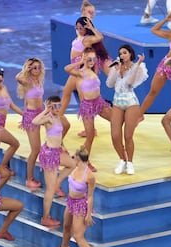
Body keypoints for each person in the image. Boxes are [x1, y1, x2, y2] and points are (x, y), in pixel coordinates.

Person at [59, 16, 111, 138]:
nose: (78, 29)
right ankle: (88, 129)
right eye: (76, 27)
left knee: (80, 99)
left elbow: (100, 37)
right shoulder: (80, 36)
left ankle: (60, 117)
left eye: (81, 27)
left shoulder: (87, 39)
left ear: (85, 28)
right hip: (78, 66)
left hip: (80, 68)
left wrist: (91, 28)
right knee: (74, 96)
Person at [51, 145, 99, 247]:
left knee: (78, 236)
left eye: (74, 157)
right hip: (70, 202)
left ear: (78, 158)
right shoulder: (75, 168)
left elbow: (90, 196)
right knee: (66, 226)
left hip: (80, 205)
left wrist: (88, 214)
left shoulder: (89, 176)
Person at [64, 47, 112, 172]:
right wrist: (80, 62)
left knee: (116, 120)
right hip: (87, 107)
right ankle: (84, 160)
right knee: (90, 136)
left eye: (93, 59)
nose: (92, 61)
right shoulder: (80, 73)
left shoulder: (94, 69)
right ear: (84, 58)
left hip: (99, 102)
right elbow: (67, 69)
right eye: (89, 59)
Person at [32, 96, 76, 227]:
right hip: (49, 154)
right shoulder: (49, 118)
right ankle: (45, 217)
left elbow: (57, 136)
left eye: (59, 105)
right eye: (54, 106)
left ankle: (57, 183)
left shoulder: (58, 118)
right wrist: (45, 110)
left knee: (72, 164)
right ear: (50, 107)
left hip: (57, 151)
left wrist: (62, 147)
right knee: (50, 190)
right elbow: (35, 121)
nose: (57, 108)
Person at [106, 44, 148, 175]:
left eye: (125, 52)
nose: (122, 55)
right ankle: (122, 159)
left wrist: (136, 65)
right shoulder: (117, 67)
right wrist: (116, 71)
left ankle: (130, 162)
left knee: (128, 135)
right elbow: (109, 84)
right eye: (120, 53)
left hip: (131, 101)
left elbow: (130, 83)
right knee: (115, 135)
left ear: (130, 54)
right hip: (117, 101)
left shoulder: (138, 67)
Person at [15, 57, 50, 191]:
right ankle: (29, 178)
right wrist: (26, 70)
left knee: (60, 125)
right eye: (33, 67)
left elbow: (27, 100)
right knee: (35, 149)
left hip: (40, 112)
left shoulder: (38, 81)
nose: (37, 70)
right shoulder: (28, 81)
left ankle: (59, 150)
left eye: (38, 67)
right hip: (32, 116)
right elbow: (18, 78)